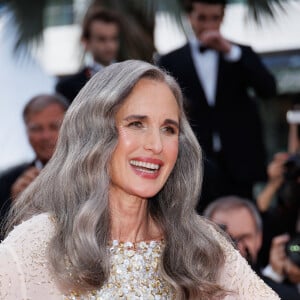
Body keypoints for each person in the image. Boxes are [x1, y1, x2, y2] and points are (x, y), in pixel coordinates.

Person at [0, 60, 279, 299]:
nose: (156, 145)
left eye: (168, 129)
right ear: (95, 133)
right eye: (137, 124)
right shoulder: (37, 244)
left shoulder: (201, 247)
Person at [158, 0, 277, 210]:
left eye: (215, 18)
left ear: (223, 17)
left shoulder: (241, 53)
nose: (208, 25)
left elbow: (268, 88)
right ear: (190, 17)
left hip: (240, 162)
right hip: (195, 163)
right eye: (202, 18)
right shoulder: (170, 61)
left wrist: (231, 52)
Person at [204, 195, 300, 299]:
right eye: (226, 240)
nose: (237, 248)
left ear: (259, 238)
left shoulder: (285, 296)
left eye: (244, 238)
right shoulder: (191, 293)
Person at [0, 94, 68, 237]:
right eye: (36, 129)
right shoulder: (6, 182)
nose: (45, 136)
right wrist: (15, 209)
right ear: (26, 131)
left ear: (70, 126)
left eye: (54, 127)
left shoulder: (92, 173)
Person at [55, 8, 121, 102]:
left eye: (114, 38)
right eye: (102, 39)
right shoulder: (67, 87)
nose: (109, 45)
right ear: (85, 42)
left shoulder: (134, 78)